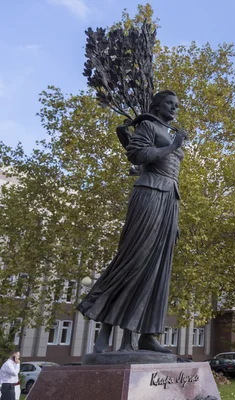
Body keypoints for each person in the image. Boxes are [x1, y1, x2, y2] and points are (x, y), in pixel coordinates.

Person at [77, 90, 188, 354]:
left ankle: (147, 334)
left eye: (176, 105)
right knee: (134, 260)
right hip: (149, 195)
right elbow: (136, 155)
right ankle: (105, 329)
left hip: (169, 201)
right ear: (156, 106)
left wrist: (175, 218)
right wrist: (173, 146)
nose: (174, 108)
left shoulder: (167, 131)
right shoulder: (148, 126)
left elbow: (169, 171)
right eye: (169, 103)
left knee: (158, 268)